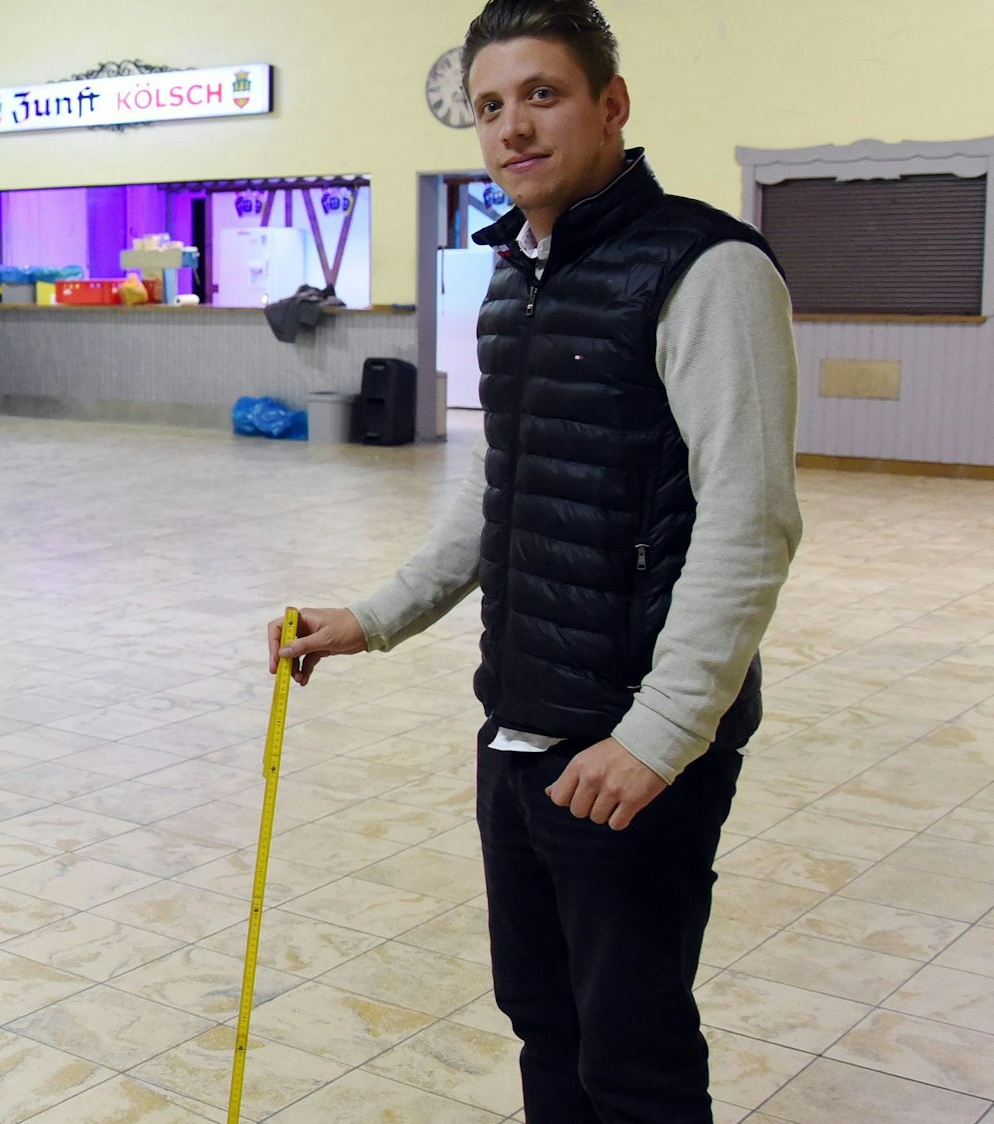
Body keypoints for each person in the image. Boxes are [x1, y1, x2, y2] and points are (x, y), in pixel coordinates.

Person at [268, 2, 801, 1121]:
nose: (511, 126)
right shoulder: (514, 276)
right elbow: (501, 482)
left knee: (633, 1055)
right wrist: (375, 615)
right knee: (543, 1020)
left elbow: (749, 520)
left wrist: (657, 734)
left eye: (541, 94)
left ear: (611, 105)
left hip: (627, 742)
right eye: (489, 105)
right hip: (517, 721)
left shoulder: (708, 268)